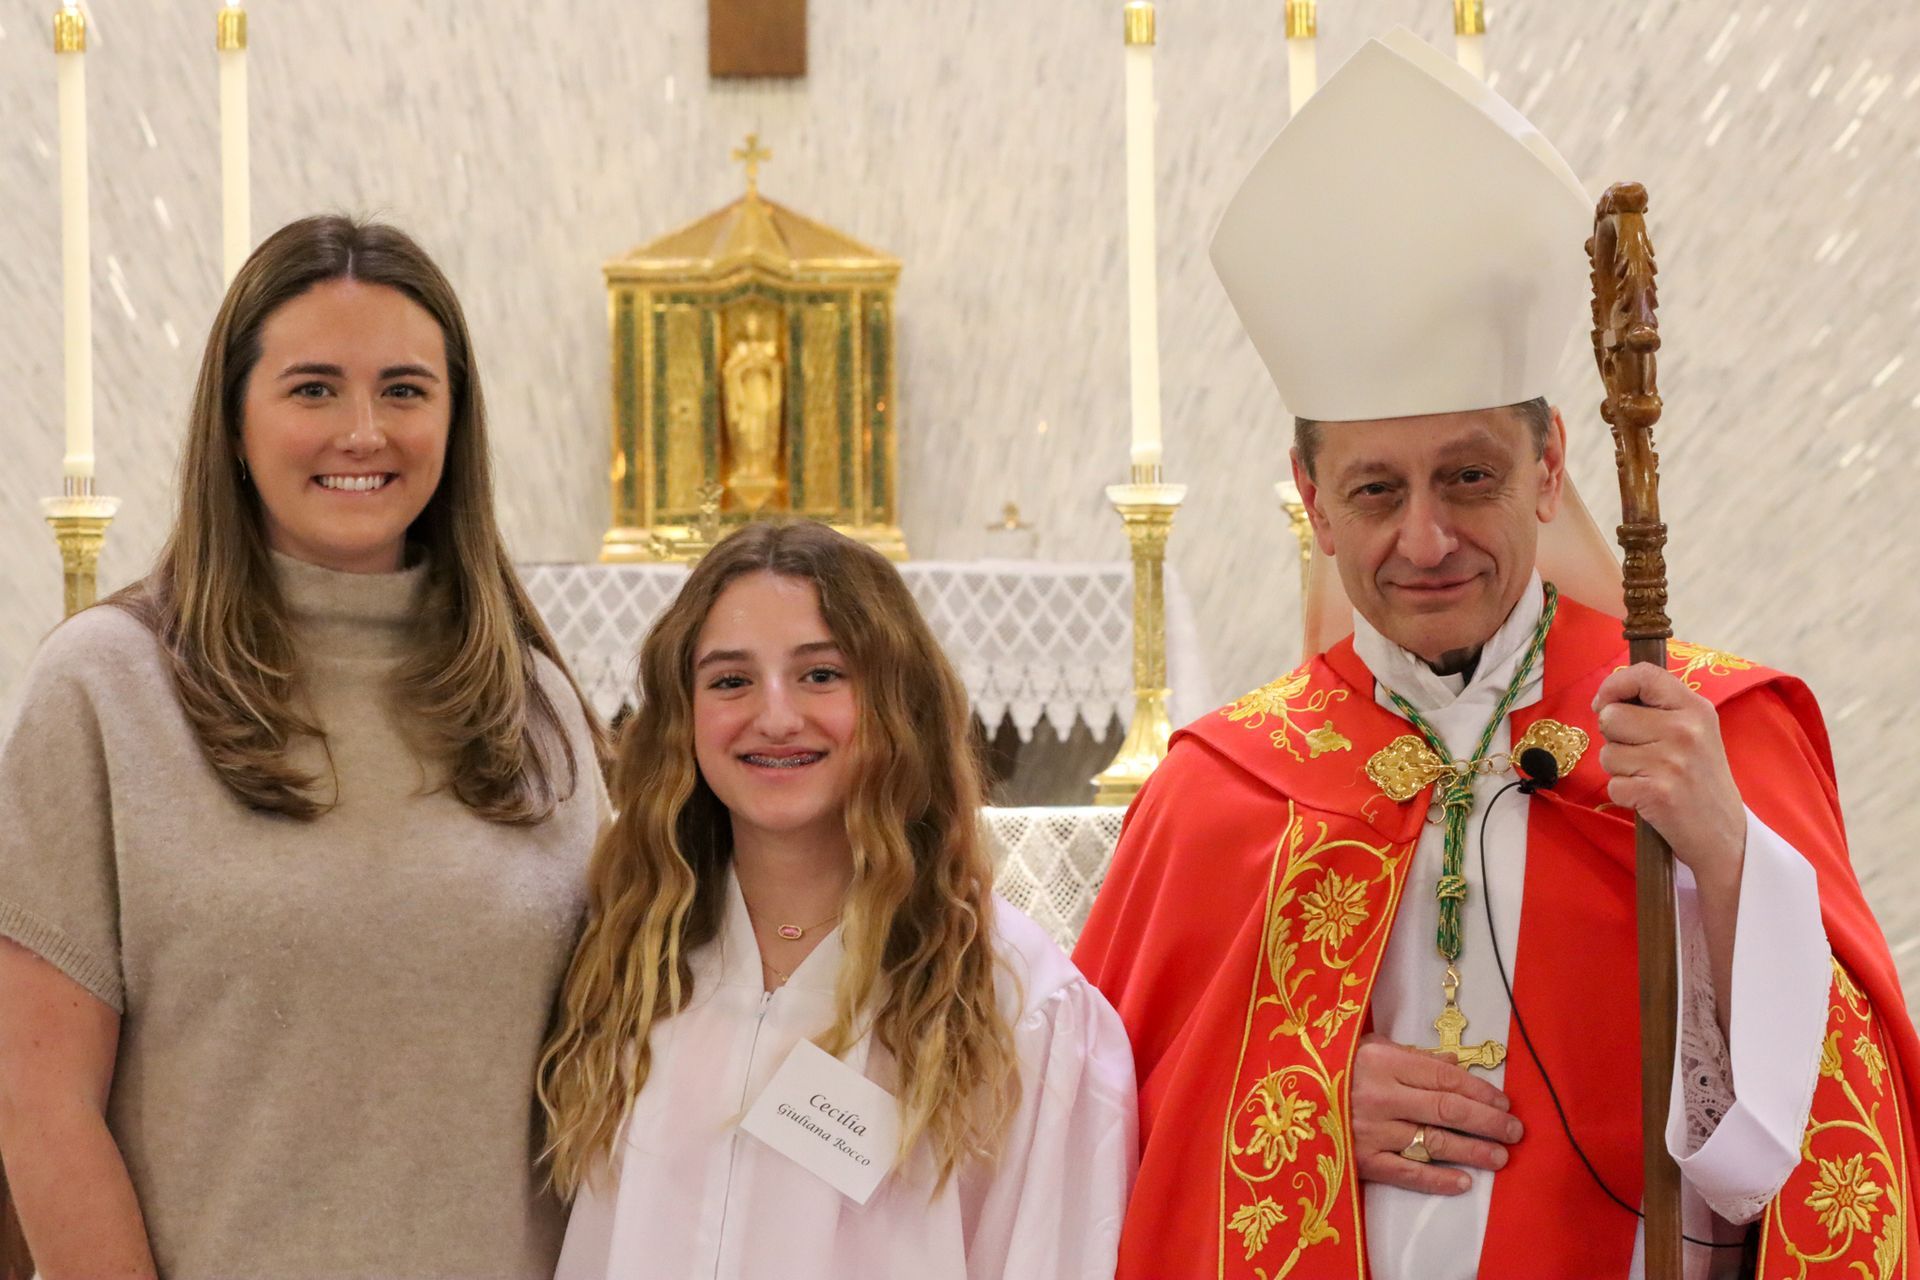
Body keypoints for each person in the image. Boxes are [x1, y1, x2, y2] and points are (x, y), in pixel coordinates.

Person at [1073, 28, 1918, 1280]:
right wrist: (1293, 1097)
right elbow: (1083, 1132)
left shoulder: (1707, 729)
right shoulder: (1219, 790)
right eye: (1375, 490)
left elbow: (1848, 1106)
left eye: (1468, 475)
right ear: (1311, 498)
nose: (1426, 539)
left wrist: (1732, 855)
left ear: (1549, 466)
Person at [0, 215, 607, 1279]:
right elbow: (39, 1098)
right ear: (235, 422)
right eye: (314, 388)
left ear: (455, 423)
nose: (363, 431)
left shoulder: (532, 705)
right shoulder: (107, 688)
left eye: (405, 390)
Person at [540, 518, 1136, 1279]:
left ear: (898, 701)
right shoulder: (626, 965)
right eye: (730, 681)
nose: (776, 717)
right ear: (681, 717)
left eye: (822, 674)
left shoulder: (1015, 1004)